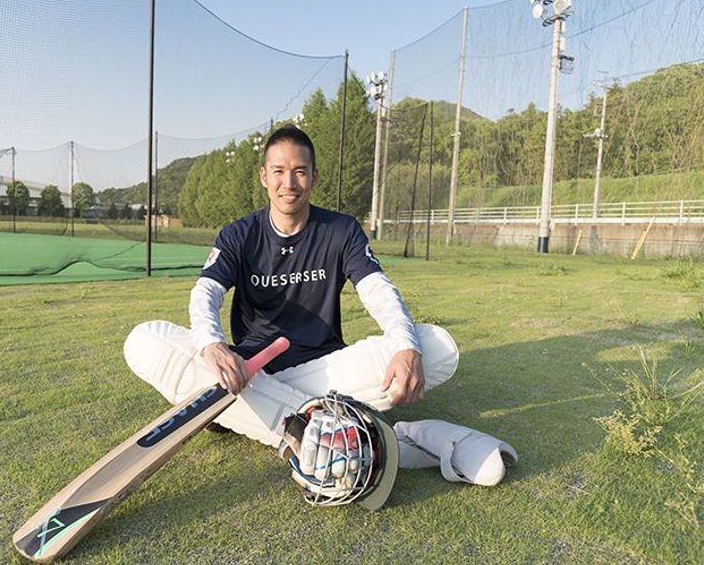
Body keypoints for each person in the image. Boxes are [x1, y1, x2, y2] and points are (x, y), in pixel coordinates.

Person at [124, 125, 459, 448]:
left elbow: (378, 290)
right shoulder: (239, 234)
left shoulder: (341, 230)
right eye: (279, 171)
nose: (289, 183)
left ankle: (251, 414)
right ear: (264, 176)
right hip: (253, 367)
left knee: (435, 346)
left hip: (325, 369)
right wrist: (211, 345)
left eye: (300, 171)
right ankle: (322, 425)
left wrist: (406, 346)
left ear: (314, 177)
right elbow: (205, 293)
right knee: (143, 340)